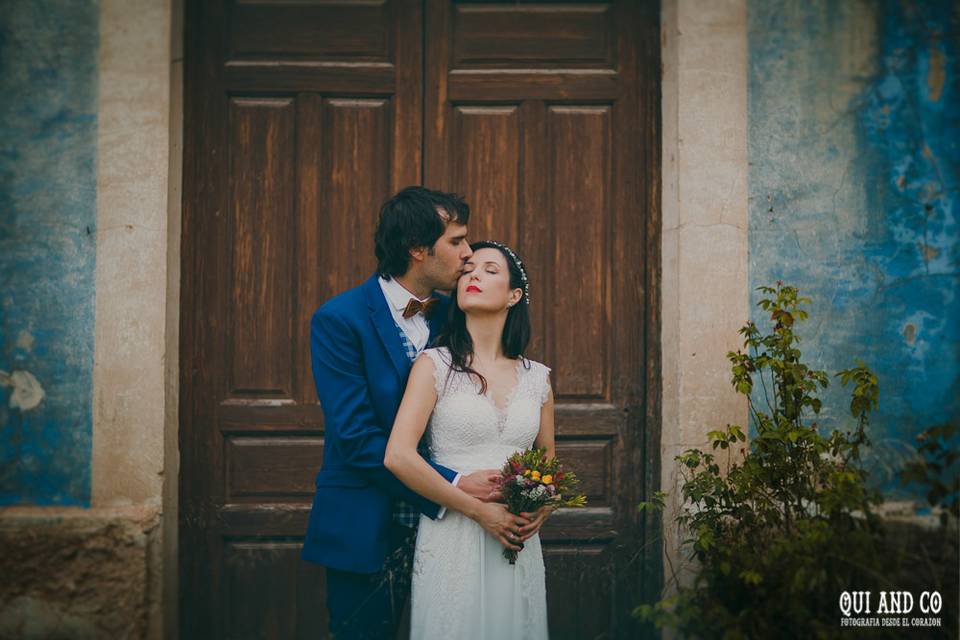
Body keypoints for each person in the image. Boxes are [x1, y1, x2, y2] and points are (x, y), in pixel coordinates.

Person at [300, 187, 530, 640]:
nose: (468, 256)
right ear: (418, 250)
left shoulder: (459, 311)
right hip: (367, 525)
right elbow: (354, 437)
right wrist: (454, 484)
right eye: (457, 242)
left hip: (457, 535)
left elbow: (505, 392)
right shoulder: (339, 319)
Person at [385, 240, 555, 639]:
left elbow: (548, 466)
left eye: (490, 270)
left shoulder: (538, 378)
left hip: (515, 539)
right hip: (452, 534)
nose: (474, 274)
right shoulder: (434, 365)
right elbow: (398, 456)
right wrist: (478, 510)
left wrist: (540, 510)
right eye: (468, 269)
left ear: (515, 295)